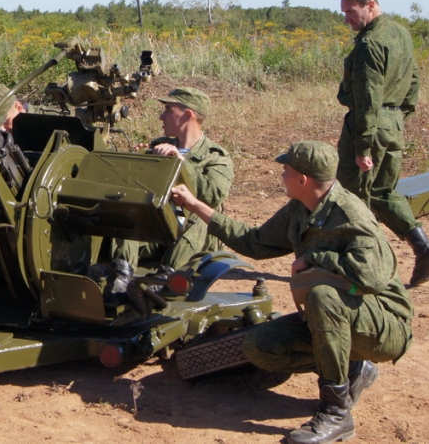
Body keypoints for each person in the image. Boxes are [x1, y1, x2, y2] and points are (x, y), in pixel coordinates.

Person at [171, 141, 412, 444]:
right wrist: (196, 205)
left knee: (322, 297)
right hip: (344, 319)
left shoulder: (351, 215)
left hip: (385, 326)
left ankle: (337, 414)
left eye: (286, 171)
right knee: (260, 346)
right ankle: (353, 367)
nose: (281, 176)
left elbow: (371, 276)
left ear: (303, 180)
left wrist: (315, 258)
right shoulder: (301, 209)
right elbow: (255, 242)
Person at [335, 0, 427, 287]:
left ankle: (363, 267)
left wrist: (362, 147)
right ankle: (422, 246)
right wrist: (400, 117)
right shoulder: (399, 32)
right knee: (384, 192)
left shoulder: (369, 44)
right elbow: (414, 80)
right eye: (344, 10)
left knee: (354, 198)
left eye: (351, 10)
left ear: (370, 5)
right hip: (392, 123)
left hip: (369, 125)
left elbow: (368, 98)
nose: (347, 17)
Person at [113, 87, 234, 272]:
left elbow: (214, 195)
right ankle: (122, 271)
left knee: (203, 210)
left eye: (169, 110)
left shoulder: (215, 156)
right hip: (157, 235)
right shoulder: (158, 146)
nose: (162, 117)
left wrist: (181, 162)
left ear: (187, 115)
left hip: (194, 242)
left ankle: (167, 277)